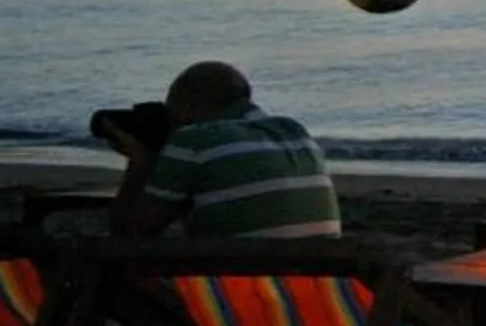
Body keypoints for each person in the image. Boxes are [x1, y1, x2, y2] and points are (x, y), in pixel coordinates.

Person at [102, 61, 341, 241]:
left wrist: (140, 163)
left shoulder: (192, 140)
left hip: (237, 292)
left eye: (172, 113)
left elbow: (129, 233)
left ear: (189, 110)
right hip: (322, 290)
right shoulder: (294, 131)